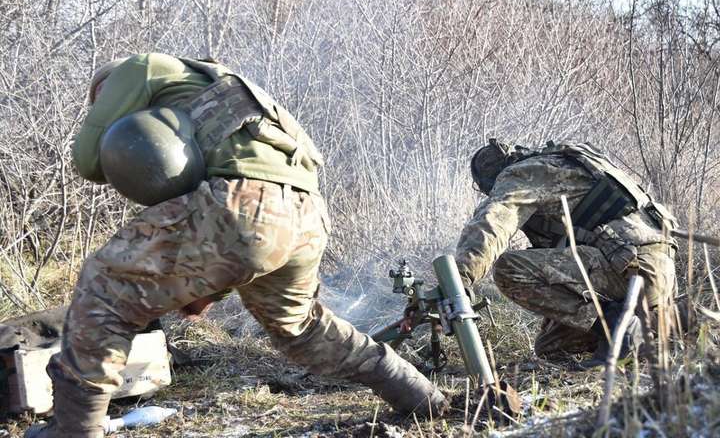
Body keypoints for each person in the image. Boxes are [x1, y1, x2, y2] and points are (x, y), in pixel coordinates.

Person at [26, 53, 447, 438]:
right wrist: (212, 286)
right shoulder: (222, 86)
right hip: (306, 214)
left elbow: (87, 160)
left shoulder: (140, 68)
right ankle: (417, 395)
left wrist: (110, 125)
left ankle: (74, 429)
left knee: (105, 285)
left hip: (245, 203)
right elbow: (243, 233)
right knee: (302, 328)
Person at [455, 139, 677, 363]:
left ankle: (620, 328)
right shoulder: (566, 162)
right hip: (657, 274)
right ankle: (667, 319)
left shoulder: (522, 174)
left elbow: (492, 221)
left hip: (629, 267)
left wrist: (459, 278)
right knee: (551, 347)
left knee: (509, 268)